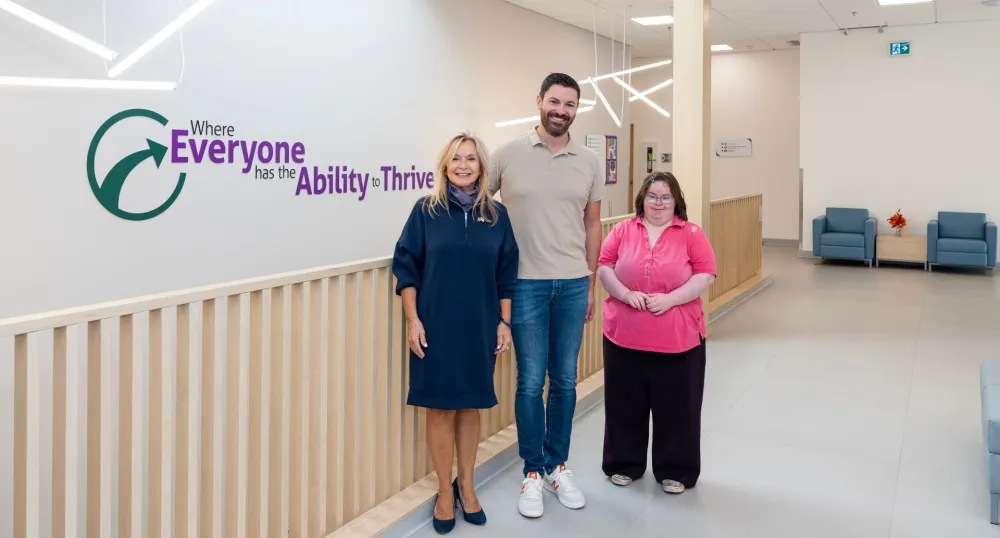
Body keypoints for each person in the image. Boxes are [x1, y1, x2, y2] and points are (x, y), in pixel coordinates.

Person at [488, 73, 604, 518]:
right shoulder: (508, 154)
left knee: (566, 382)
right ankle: (532, 473)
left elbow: (593, 223)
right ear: (539, 101)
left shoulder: (589, 161)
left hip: (574, 284)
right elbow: (482, 205)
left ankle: (558, 465)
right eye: (554, 101)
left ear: (576, 109)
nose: (561, 110)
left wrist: (591, 282)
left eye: (569, 104)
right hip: (525, 285)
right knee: (530, 382)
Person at [392, 131, 519, 534]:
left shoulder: (497, 216)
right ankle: (444, 492)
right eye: (456, 159)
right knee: (441, 408)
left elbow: (506, 274)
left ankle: (467, 485)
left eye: (471, 159)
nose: (463, 165)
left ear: (482, 167)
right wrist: (413, 319)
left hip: (480, 326)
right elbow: (406, 267)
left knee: (470, 406)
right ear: (445, 165)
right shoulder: (425, 211)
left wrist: (504, 322)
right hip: (435, 326)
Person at [595, 171, 717, 495]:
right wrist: (623, 293)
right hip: (624, 336)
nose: (659, 203)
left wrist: (670, 299)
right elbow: (604, 265)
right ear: (642, 200)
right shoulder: (623, 229)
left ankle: (676, 469)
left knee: (678, 408)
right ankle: (624, 463)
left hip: (678, 340)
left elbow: (706, 274)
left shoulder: (690, 232)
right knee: (624, 403)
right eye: (652, 196)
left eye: (665, 197)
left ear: (675, 200)